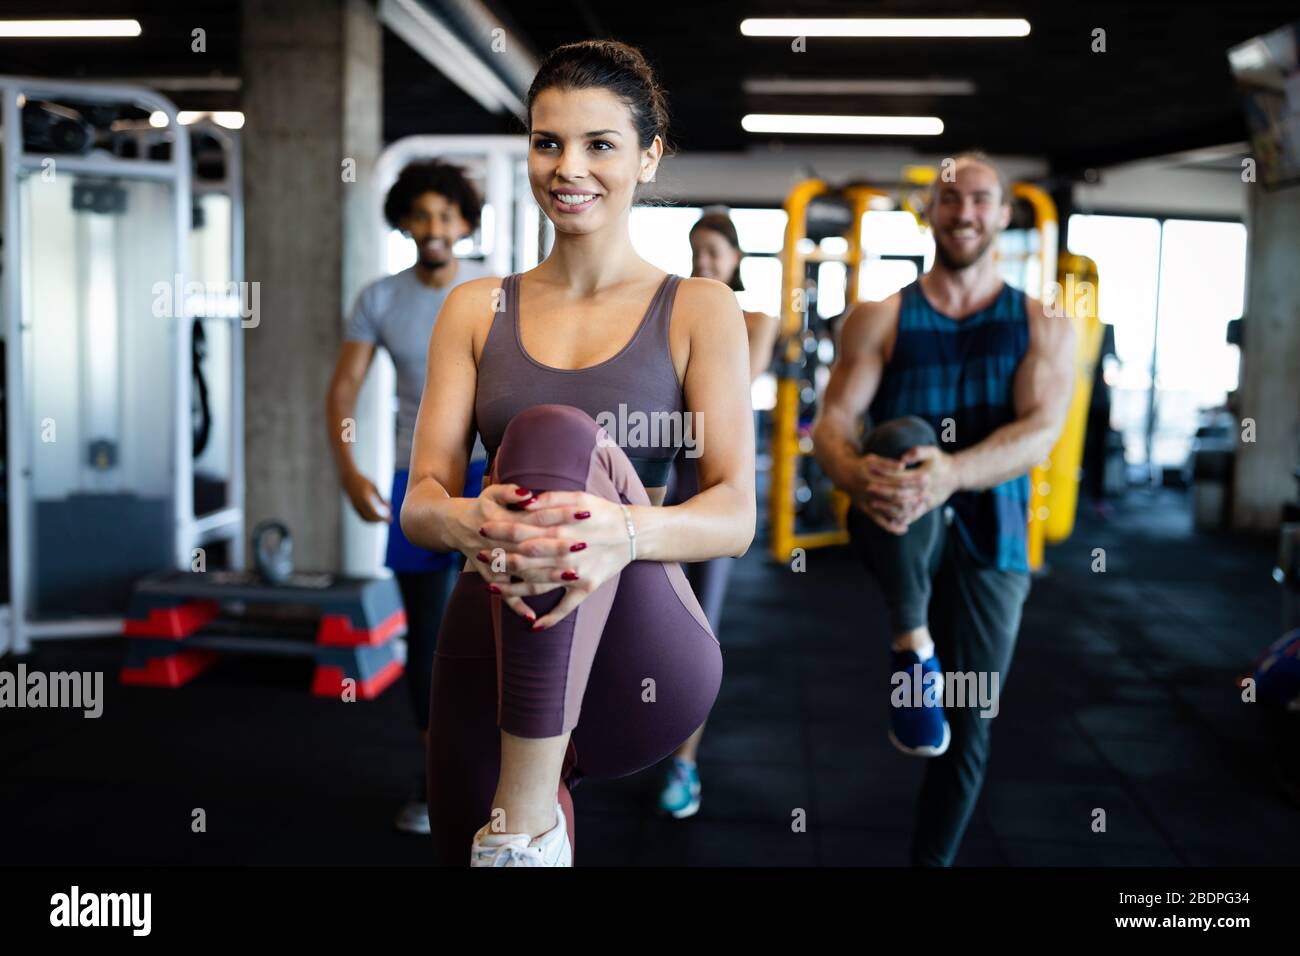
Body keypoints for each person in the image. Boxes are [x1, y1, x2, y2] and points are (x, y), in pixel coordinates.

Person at [400, 39, 756, 866]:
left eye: (600, 144)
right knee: (459, 850)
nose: (569, 167)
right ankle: (523, 827)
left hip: (641, 647)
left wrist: (618, 533)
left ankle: (525, 828)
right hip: (494, 628)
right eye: (548, 140)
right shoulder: (475, 307)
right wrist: (470, 518)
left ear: (648, 157)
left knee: (553, 433)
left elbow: (735, 513)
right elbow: (421, 503)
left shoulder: (699, 308)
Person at [812, 152, 1074, 865]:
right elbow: (832, 427)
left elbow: (1040, 432)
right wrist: (853, 471)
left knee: (969, 720)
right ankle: (912, 643)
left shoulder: (1043, 322)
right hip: (895, 516)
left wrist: (953, 473)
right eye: (952, 199)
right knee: (901, 436)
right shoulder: (879, 317)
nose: (965, 213)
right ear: (929, 211)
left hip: (994, 538)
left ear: (1004, 213)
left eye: (981, 201)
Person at [325, 159, 487, 834]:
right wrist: (347, 469)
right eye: (421, 215)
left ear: (466, 224)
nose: (434, 229)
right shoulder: (380, 298)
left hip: (489, 475)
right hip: (413, 477)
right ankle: (433, 776)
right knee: (426, 635)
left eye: (446, 217)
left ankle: (499, 772)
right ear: (403, 221)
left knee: (494, 631)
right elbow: (342, 391)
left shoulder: (495, 290)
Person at [657, 211, 779, 819]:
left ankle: (684, 764)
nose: (704, 262)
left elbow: (733, 381)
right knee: (641, 620)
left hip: (716, 486)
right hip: (665, 477)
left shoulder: (754, 320)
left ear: (735, 259)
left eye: (714, 252)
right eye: (695, 251)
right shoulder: (673, 315)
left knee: (702, 629)